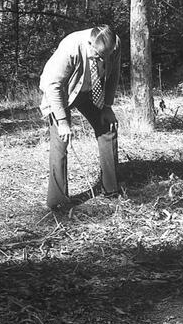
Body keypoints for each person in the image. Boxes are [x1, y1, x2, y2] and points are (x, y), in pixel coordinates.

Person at [39, 26, 122, 210]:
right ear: (90, 44)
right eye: (99, 55)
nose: (103, 60)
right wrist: (62, 122)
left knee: (107, 127)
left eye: (106, 56)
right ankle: (58, 201)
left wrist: (107, 106)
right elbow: (52, 85)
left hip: (91, 90)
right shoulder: (71, 47)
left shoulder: (114, 44)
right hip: (62, 92)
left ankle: (111, 189)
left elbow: (114, 73)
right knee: (61, 140)